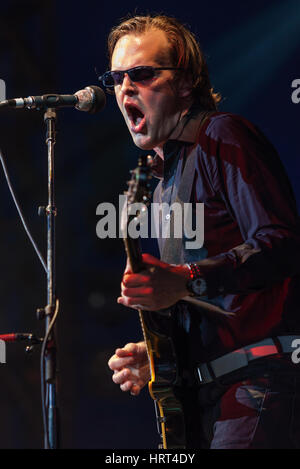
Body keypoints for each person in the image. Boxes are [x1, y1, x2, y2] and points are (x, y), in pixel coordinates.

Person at [103, 14, 300, 448]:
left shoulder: (222, 136)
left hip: (259, 383)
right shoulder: (162, 183)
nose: (125, 88)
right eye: (117, 78)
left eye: (142, 74)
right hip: (207, 399)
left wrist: (186, 279)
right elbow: (201, 298)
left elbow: (282, 243)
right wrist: (159, 354)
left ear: (186, 83)